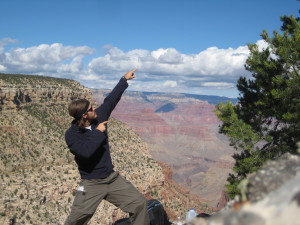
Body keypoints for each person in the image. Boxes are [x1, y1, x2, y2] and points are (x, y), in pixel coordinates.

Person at [64, 69, 150, 225]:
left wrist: (124, 80)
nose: (94, 109)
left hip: (112, 179)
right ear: (84, 115)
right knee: (75, 220)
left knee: (139, 204)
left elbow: (111, 100)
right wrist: (98, 133)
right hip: (91, 183)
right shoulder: (72, 135)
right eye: (90, 109)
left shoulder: (99, 117)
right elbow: (86, 152)